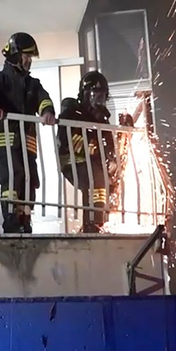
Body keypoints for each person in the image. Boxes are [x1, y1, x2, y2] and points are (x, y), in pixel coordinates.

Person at [0, 32, 56, 234]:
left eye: (30, 57)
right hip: (6, 138)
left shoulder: (33, 84)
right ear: (15, 55)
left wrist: (47, 112)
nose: (29, 61)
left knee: (30, 178)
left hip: (27, 140)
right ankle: (11, 219)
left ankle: (25, 218)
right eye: (26, 56)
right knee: (12, 175)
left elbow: (44, 99)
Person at [57, 70, 116, 233]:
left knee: (105, 180)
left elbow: (109, 144)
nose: (98, 101)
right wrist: (96, 150)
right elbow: (71, 142)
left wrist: (112, 159)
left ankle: (100, 221)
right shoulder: (72, 113)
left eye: (101, 97)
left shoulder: (102, 119)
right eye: (94, 95)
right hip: (73, 161)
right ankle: (92, 224)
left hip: (92, 162)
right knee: (94, 178)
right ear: (84, 95)